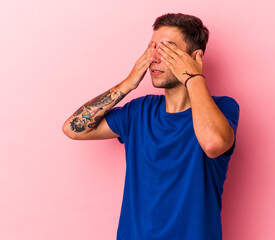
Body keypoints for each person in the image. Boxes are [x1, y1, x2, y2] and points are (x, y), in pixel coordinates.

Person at [63, 13, 240, 240]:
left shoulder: (223, 108)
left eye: (167, 50)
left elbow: (213, 144)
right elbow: (73, 128)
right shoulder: (139, 111)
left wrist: (193, 76)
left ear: (195, 57)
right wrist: (128, 84)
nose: (154, 58)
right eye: (152, 48)